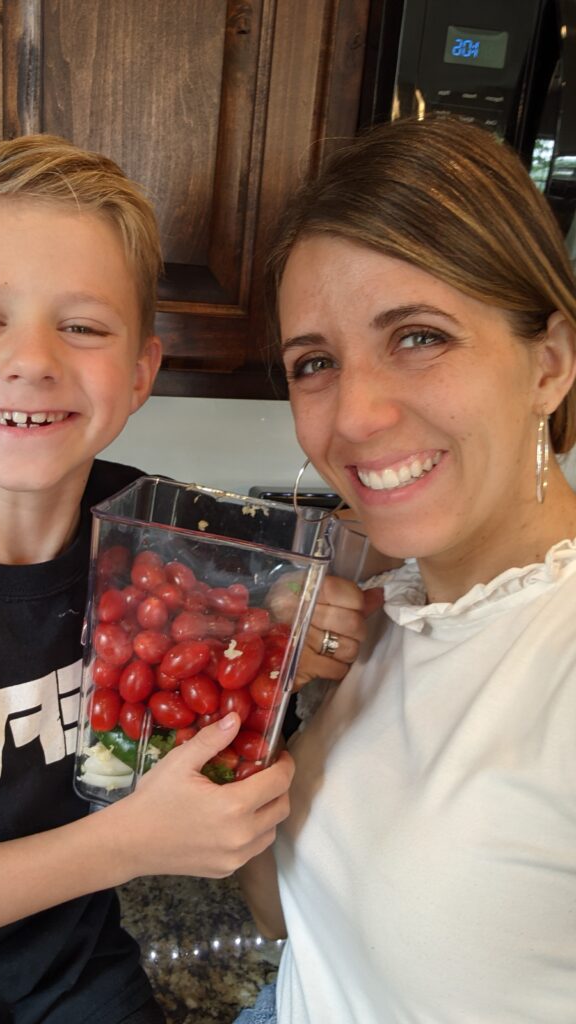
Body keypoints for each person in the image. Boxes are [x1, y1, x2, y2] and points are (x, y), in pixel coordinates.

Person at [0, 133, 303, 1024]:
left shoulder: (160, 536)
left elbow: (273, 613)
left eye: (82, 325)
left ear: (141, 372)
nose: (33, 358)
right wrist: (120, 847)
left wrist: (305, 628)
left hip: (78, 986)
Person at [236, 114, 576, 1024]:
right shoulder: (396, 601)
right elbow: (282, 910)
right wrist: (261, 701)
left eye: (419, 336)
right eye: (315, 362)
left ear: (548, 364)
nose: (354, 416)